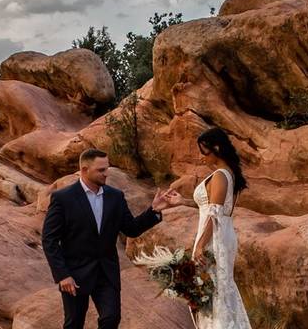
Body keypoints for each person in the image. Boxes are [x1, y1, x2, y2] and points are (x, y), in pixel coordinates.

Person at [42, 148, 175, 329]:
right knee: (74, 324)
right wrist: (63, 275)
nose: (106, 174)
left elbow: (131, 229)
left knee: (111, 319)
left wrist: (154, 211)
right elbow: (49, 240)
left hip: (107, 273)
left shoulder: (115, 196)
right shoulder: (63, 198)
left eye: (107, 169)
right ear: (84, 170)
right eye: (101, 170)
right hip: (75, 274)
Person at [166, 127, 251, 328]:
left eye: (204, 151)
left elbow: (215, 215)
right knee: (216, 289)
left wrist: (199, 246)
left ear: (217, 148)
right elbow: (208, 207)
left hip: (215, 238)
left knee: (214, 290)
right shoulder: (226, 173)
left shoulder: (221, 175)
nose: (200, 156)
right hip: (220, 235)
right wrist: (182, 201)